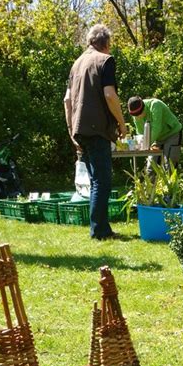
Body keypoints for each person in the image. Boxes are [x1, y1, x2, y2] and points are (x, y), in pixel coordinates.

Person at [64, 24, 127, 240]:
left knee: (95, 181)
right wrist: (122, 122)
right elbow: (110, 95)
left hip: (79, 128)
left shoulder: (76, 64)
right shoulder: (105, 60)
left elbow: (67, 101)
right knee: (103, 181)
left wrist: (72, 130)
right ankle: (100, 231)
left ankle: (99, 228)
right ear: (106, 43)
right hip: (96, 128)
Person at [127, 96, 182, 171]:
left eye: (139, 114)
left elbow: (156, 129)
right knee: (151, 167)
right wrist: (140, 144)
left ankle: (169, 183)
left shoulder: (155, 105)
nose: (137, 117)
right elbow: (140, 133)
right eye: (135, 115)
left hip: (172, 134)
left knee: (169, 166)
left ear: (143, 108)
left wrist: (146, 145)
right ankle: (150, 182)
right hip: (156, 139)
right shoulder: (136, 115)